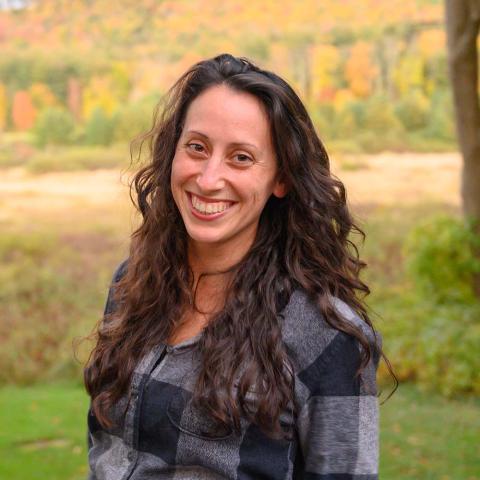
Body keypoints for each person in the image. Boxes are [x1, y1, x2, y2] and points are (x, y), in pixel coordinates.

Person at [84, 53, 394, 480]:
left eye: (241, 158)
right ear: (172, 152)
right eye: (197, 147)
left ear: (281, 179)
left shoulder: (325, 333)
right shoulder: (132, 282)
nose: (209, 179)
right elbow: (106, 449)